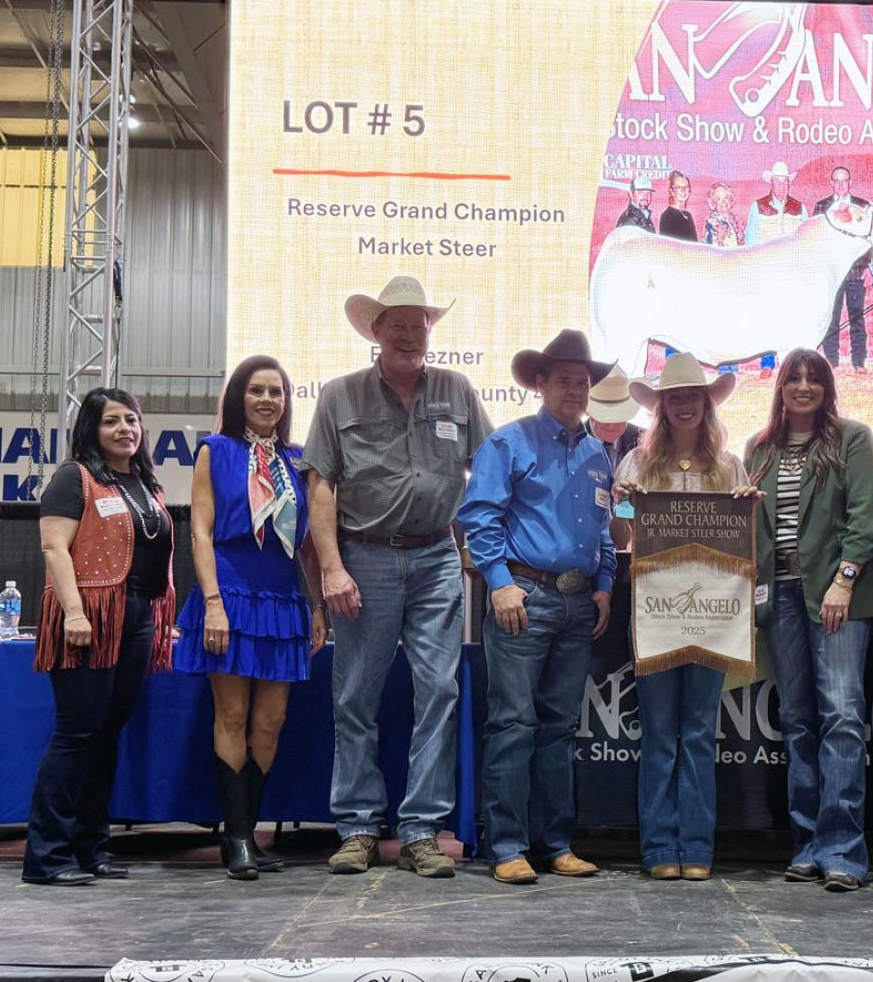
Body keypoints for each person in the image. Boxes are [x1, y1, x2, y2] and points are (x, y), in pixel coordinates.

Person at [302, 276, 494, 879]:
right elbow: (321, 485)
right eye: (399, 325)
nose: (411, 335)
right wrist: (331, 568)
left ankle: (420, 832)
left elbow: (487, 468)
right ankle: (358, 827)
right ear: (376, 332)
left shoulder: (458, 391)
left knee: (440, 690)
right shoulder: (339, 396)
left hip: (438, 557)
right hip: (365, 560)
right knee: (355, 694)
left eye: (420, 325)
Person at [458, 329, 618, 885]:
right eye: (565, 380)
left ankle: (555, 844)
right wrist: (500, 583)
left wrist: (604, 583)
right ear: (541, 383)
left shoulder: (600, 452)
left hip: (577, 605)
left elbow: (601, 530)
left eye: (584, 382)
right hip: (523, 599)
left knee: (558, 728)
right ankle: (506, 846)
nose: (576, 389)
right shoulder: (508, 443)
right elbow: (478, 517)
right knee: (513, 723)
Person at [171, 356, 328, 880]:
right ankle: (236, 839)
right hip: (231, 595)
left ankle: (250, 835)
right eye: (257, 390)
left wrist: (319, 604)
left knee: (271, 721)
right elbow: (200, 533)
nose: (267, 400)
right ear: (239, 396)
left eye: (276, 392)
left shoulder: (299, 460)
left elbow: (306, 542)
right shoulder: (215, 452)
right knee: (232, 717)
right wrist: (212, 601)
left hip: (283, 601)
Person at [23, 387, 175, 886]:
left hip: (135, 617)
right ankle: (47, 857)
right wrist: (73, 613)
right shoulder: (74, 477)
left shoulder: (144, 483)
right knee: (75, 737)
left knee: (106, 738)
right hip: (88, 615)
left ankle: (93, 849)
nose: (124, 429)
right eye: (111, 421)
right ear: (92, 428)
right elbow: (53, 547)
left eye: (131, 420)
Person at [745, 349, 873, 892]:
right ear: (781, 387)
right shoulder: (759, 448)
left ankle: (844, 850)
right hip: (779, 596)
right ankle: (806, 844)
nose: (803, 387)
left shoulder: (852, 438)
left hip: (837, 596)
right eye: (794, 378)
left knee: (843, 716)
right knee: (798, 718)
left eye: (814, 379)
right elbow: (752, 526)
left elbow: (865, 515)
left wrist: (844, 580)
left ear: (827, 388)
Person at [612, 353, 751, 882]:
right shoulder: (635, 465)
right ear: (662, 407)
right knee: (659, 733)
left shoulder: (731, 467)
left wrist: (745, 508)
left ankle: (697, 846)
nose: (685, 404)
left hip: (713, 614)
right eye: (675, 397)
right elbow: (621, 540)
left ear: (706, 404)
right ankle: (658, 850)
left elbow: (744, 541)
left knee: (696, 732)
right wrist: (624, 506)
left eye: (693, 396)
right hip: (655, 611)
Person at [814, 166, 873, 371]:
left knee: (857, 316)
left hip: (857, 271)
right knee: (832, 316)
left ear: (850, 183)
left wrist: (868, 267)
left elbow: (869, 238)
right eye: (836, 181)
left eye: (844, 180)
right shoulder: (821, 208)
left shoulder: (862, 206)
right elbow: (816, 242)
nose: (840, 185)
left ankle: (858, 362)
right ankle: (832, 362)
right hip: (831, 274)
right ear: (831, 183)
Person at [587, 365, 644, 548]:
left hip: (633, 545)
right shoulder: (571, 443)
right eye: (604, 417)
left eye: (618, 418)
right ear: (590, 413)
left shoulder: (645, 445)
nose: (611, 425)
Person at [745, 161, 807, 246]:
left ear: (789, 184)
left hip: (792, 258)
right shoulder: (757, 207)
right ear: (771, 184)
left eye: (785, 182)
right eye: (778, 182)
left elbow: (806, 238)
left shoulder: (800, 208)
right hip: (766, 257)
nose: (781, 186)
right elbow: (750, 241)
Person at [658, 170, 699, 242]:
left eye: (686, 187)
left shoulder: (688, 215)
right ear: (672, 191)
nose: (684, 190)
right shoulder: (667, 216)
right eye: (679, 187)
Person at [703, 183, 743, 248]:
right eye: (719, 199)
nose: (723, 202)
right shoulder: (711, 222)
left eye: (726, 197)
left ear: (730, 198)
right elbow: (711, 250)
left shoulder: (735, 219)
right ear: (713, 202)